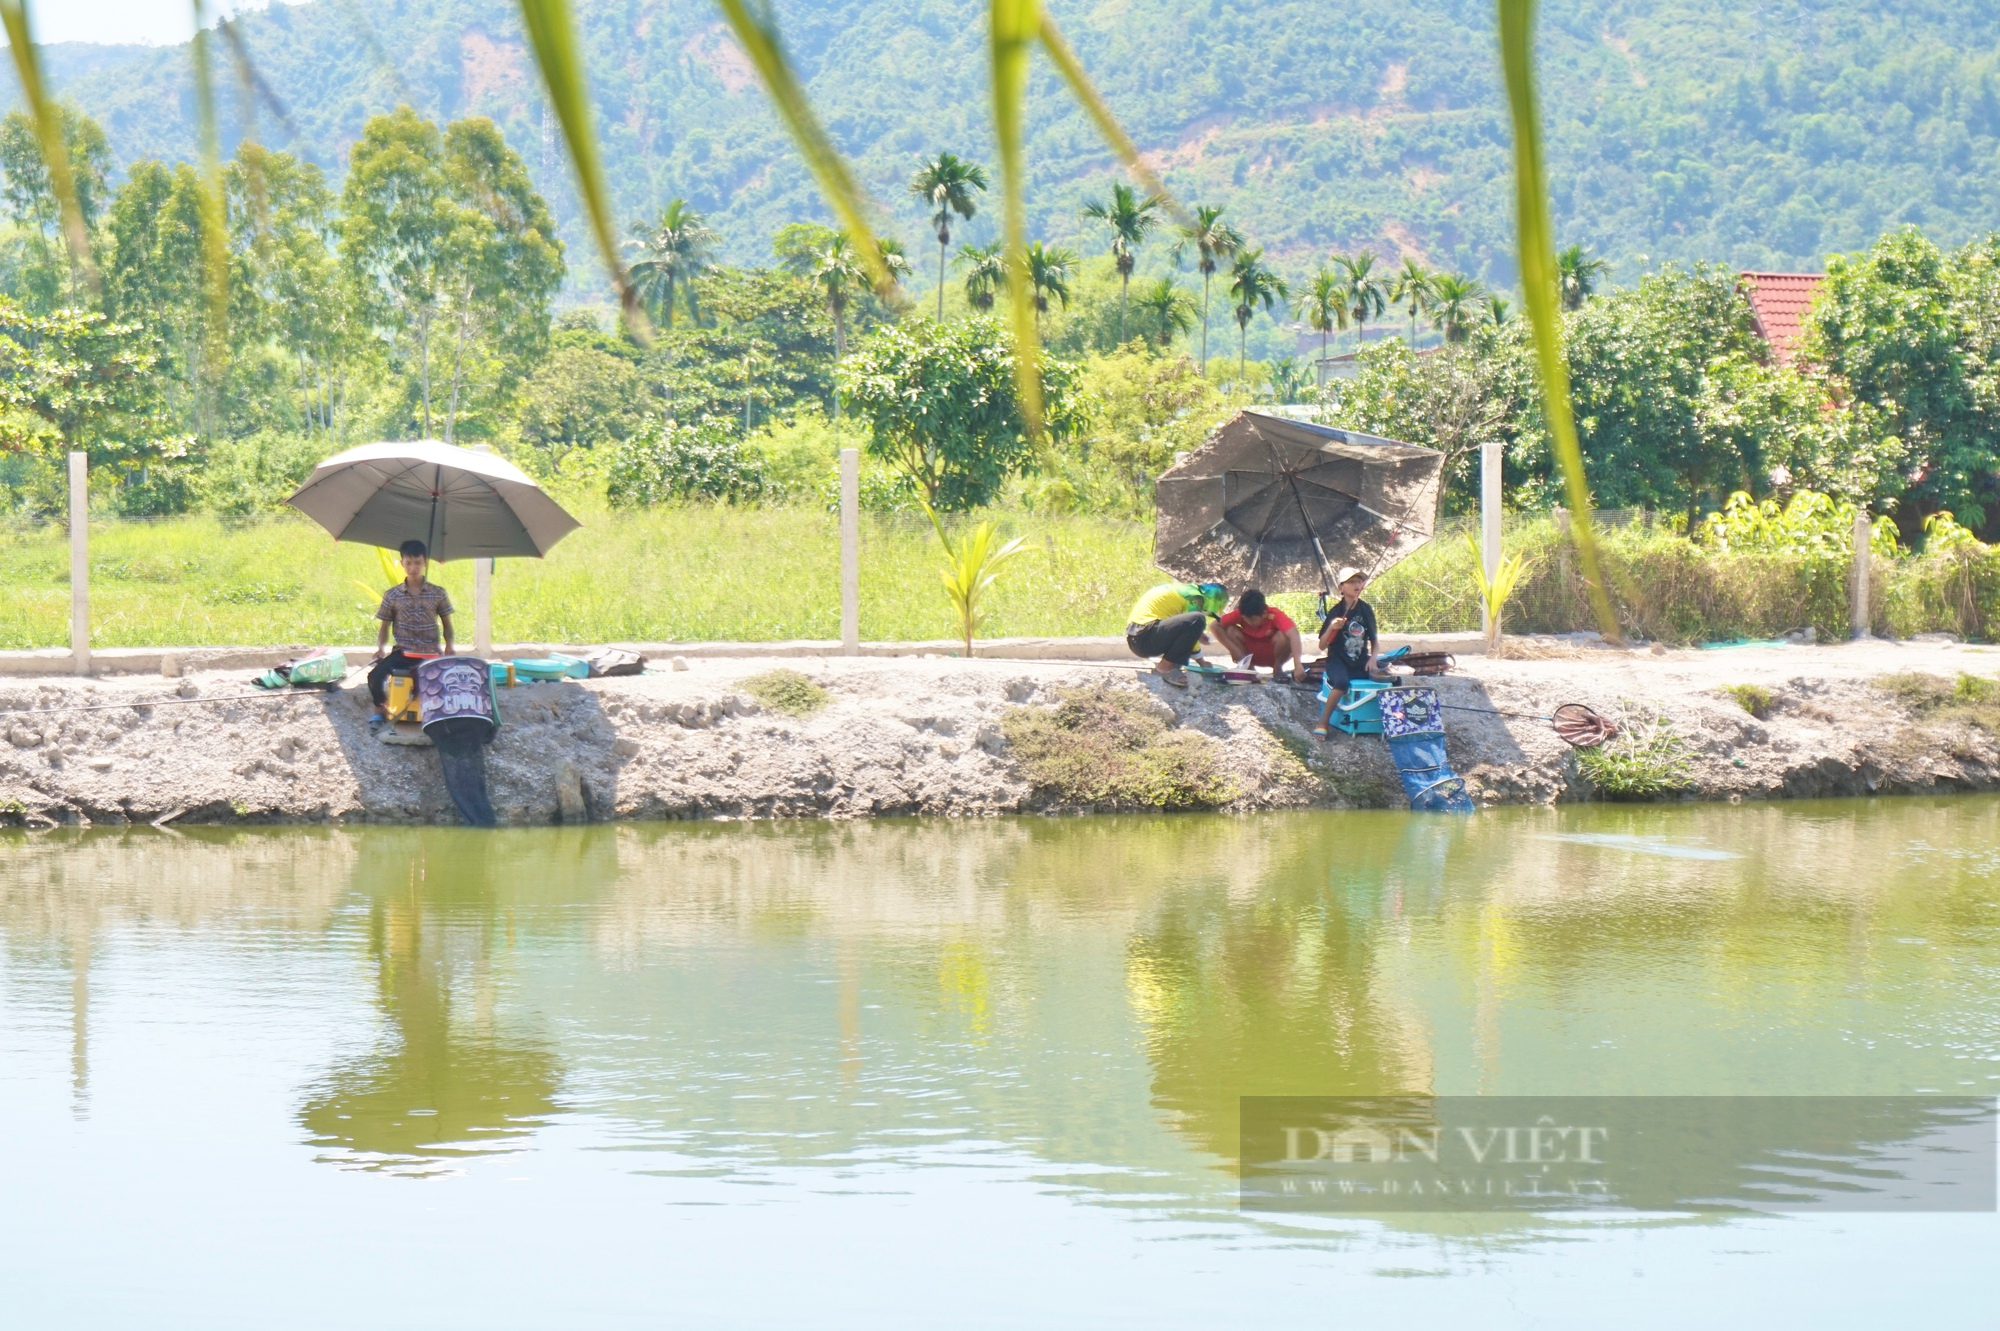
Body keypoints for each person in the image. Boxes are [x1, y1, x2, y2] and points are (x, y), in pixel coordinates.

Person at [368, 539, 455, 734]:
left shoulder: (438, 593)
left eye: (417, 562)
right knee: (374, 677)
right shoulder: (392, 595)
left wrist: (450, 645)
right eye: (408, 563)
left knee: (447, 682)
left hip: (430, 654)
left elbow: (447, 624)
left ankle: (440, 717)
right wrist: (380, 648)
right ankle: (379, 710)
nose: (413, 567)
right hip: (403, 653)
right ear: (402, 563)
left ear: (425, 563)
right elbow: (385, 625)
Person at [1313, 566, 1379, 738]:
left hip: (1360, 660)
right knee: (1342, 682)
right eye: (1351, 582)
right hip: (1337, 661)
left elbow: (1374, 640)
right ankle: (1323, 722)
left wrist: (1373, 659)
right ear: (1341, 587)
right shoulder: (1335, 612)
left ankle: (1390, 722)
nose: (1356, 585)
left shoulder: (1366, 609)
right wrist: (1332, 627)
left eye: (1359, 581)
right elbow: (1322, 645)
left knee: (1390, 680)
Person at [1125, 580, 1225, 687]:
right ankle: (1165, 667)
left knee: (1195, 621)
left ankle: (1168, 664)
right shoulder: (1195, 597)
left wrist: (1197, 634)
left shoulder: (1185, 590)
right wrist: (1202, 663)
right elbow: (1194, 620)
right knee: (1198, 618)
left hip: (1137, 637)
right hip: (1144, 636)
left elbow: (1182, 627)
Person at [1212, 588, 1304, 680]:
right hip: (1249, 654)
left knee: (1284, 635)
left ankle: (1278, 668)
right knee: (1230, 630)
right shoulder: (1242, 613)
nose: (1248, 622)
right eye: (1245, 618)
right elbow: (1214, 626)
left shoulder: (1275, 615)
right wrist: (1233, 649)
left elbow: (1294, 634)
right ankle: (1249, 669)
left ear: (1264, 613)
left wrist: (1298, 665)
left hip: (1272, 655)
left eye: (1252, 620)